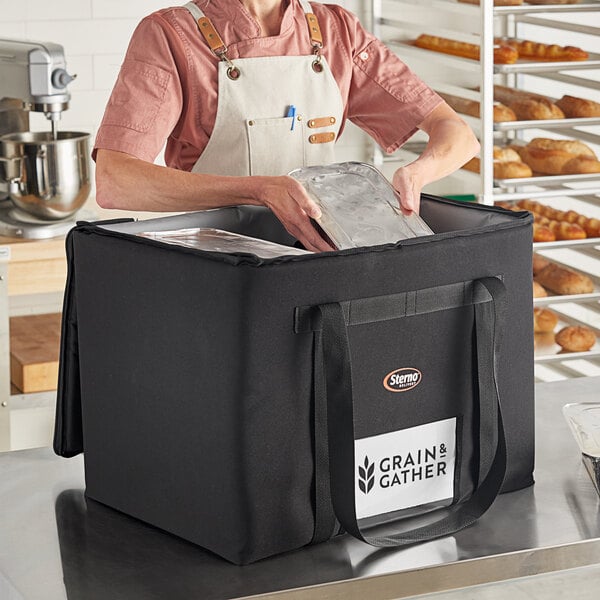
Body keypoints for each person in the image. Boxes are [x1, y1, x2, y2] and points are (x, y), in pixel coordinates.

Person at [94, 0, 479, 252]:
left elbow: (457, 134)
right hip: (218, 267)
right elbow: (116, 181)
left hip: (317, 258)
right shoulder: (169, 34)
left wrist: (417, 173)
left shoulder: (336, 30)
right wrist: (258, 190)